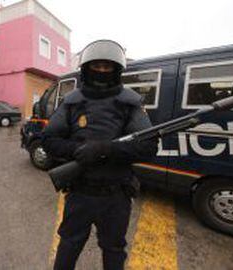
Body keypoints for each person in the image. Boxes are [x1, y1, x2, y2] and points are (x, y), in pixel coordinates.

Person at [42, 40, 158, 270]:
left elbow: (148, 147)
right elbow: (49, 140)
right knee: (69, 245)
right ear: (86, 68)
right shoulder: (72, 101)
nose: (103, 71)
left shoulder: (129, 102)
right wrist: (78, 151)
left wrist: (106, 149)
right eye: (98, 66)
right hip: (79, 193)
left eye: (108, 67)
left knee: (114, 250)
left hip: (116, 197)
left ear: (117, 70)